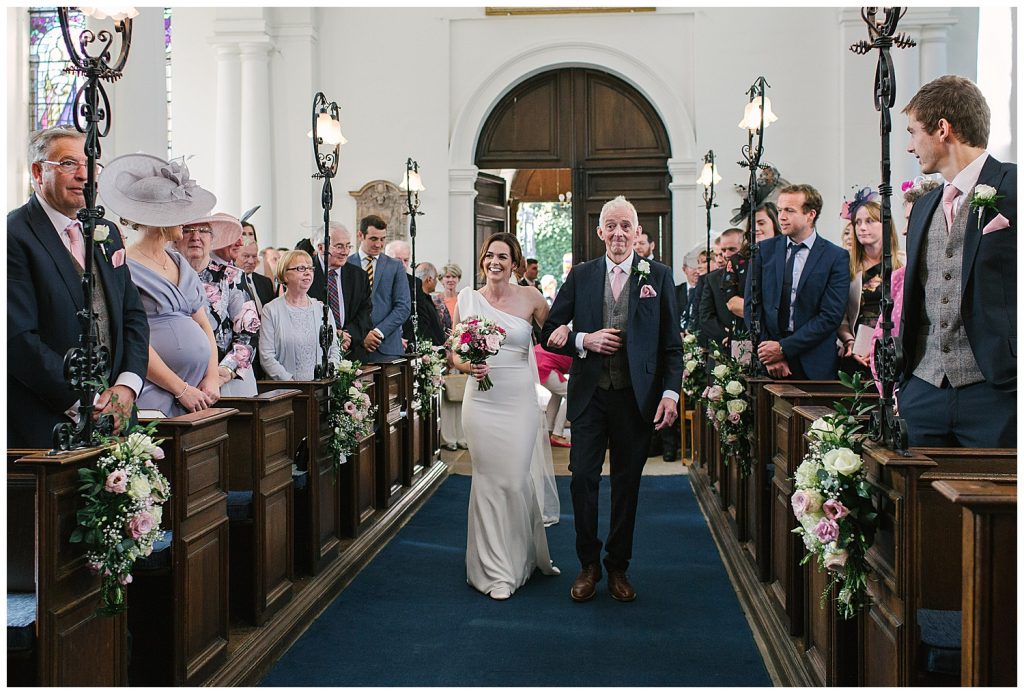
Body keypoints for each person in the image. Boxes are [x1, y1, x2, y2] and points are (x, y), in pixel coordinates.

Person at [541, 195, 683, 603]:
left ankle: (618, 566)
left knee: (626, 484)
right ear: (600, 232)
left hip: (635, 399)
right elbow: (551, 327)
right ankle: (588, 564)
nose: (619, 233)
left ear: (637, 232)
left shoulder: (657, 276)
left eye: (627, 226)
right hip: (590, 395)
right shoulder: (582, 276)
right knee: (582, 478)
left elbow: (672, 346)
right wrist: (584, 339)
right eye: (611, 226)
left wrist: (670, 393)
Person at [9, 127, 150, 445]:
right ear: (37, 171)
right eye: (69, 164)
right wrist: (85, 402)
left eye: (92, 165)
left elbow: (133, 317)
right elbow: (18, 340)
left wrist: (127, 386)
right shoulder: (15, 235)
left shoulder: (106, 232)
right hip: (49, 423)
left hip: (117, 419)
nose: (85, 176)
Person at [898, 75, 1016, 447]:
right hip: (924, 389)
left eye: (913, 132)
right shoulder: (923, 207)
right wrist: (907, 384)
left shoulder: (1015, 188)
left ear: (942, 129)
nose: (909, 146)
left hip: (998, 393)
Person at [451, 232, 560, 600]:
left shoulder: (531, 298)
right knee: (488, 481)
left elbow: (555, 335)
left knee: (514, 479)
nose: (494, 262)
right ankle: (495, 570)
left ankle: (526, 557)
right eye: (489, 256)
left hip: (519, 401)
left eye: (503, 256)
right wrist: (469, 367)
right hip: (481, 403)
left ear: (515, 263)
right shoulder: (467, 299)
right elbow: (455, 352)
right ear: (482, 260)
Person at [99, 152, 222, 417]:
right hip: (156, 391)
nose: (186, 222)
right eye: (179, 214)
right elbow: (133, 337)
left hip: (199, 391)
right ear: (160, 219)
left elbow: (203, 325)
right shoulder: (125, 265)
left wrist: (211, 375)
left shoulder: (179, 262)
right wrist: (180, 389)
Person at [744, 183, 849, 380]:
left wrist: (783, 348)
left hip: (814, 361)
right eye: (780, 210)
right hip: (769, 362)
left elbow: (830, 315)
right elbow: (752, 306)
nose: (781, 217)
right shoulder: (763, 251)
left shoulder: (835, 257)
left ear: (810, 214)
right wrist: (770, 354)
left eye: (789, 211)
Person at [173, 212, 259, 398]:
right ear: (175, 238)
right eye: (188, 230)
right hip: (178, 384)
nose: (196, 236)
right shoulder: (165, 277)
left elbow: (248, 332)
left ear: (212, 239)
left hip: (228, 385)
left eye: (203, 231)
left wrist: (225, 371)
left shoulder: (231, 276)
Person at [868, 176, 942, 390]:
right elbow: (882, 338)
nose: (904, 229)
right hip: (903, 384)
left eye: (912, 219)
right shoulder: (900, 276)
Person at [836, 189, 904, 373]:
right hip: (855, 348)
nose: (862, 227)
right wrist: (849, 341)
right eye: (857, 222)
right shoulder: (845, 264)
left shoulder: (903, 263)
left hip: (893, 348)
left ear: (885, 225)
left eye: (869, 221)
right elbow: (839, 315)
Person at [260, 249, 341, 380]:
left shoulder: (322, 309)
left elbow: (334, 348)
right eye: (301, 268)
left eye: (310, 268)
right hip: (286, 391)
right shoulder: (271, 310)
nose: (308, 272)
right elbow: (266, 356)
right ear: (285, 275)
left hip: (321, 388)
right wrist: (291, 382)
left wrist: (329, 373)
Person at [348, 215, 410, 362]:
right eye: (374, 239)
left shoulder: (395, 266)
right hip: (354, 346)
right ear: (360, 235)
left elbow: (403, 307)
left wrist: (378, 333)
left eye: (383, 239)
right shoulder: (347, 264)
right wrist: (361, 335)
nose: (379, 244)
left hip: (386, 346)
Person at [309, 222, 372, 361]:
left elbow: (365, 312)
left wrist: (347, 336)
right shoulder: (306, 273)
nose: (345, 251)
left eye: (348, 246)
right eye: (339, 246)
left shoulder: (359, 276)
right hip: (315, 354)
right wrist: (333, 335)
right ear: (321, 248)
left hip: (351, 352)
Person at [385, 239, 446, 348]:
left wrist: (412, 342)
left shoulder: (414, 283)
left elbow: (421, 318)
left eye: (406, 260)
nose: (403, 265)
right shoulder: (378, 280)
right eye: (398, 260)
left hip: (408, 344)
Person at [699, 227, 748, 347]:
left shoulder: (754, 274)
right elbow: (705, 316)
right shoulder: (712, 279)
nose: (726, 254)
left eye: (732, 249)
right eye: (723, 250)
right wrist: (726, 336)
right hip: (722, 346)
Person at [535, 342, 572, 447]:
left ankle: (548, 431)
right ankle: (557, 434)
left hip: (538, 358)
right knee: (572, 394)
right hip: (543, 362)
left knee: (557, 393)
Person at [416, 261, 452, 334]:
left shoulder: (424, 299)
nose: (436, 282)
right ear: (429, 279)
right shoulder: (421, 302)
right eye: (435, 278)